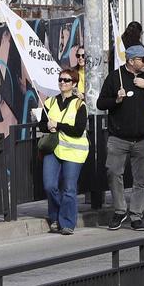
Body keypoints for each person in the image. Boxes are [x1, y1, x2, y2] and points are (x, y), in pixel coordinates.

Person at [97, 44, 144, 231]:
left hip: (142, 137)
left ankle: (136, 214)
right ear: (131, 61)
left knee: (141, 179)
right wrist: (116, 100)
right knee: (113, 172)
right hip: (118, 137)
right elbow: (100, 103)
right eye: (142, 59)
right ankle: (120, 210)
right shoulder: (114, 77)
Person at [39, 68, 88, 235]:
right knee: (49, 185)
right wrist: (46, 125)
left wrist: (58, 125)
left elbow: (78, 129)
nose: (62, 82)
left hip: (74, 152)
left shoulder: (79, 104)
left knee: (69, 188)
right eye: (60, 79)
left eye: (66, 80)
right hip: (53, 148)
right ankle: (56, 217)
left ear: (73, 83)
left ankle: (67, 223)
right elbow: (41, 124)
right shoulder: (50, 102)